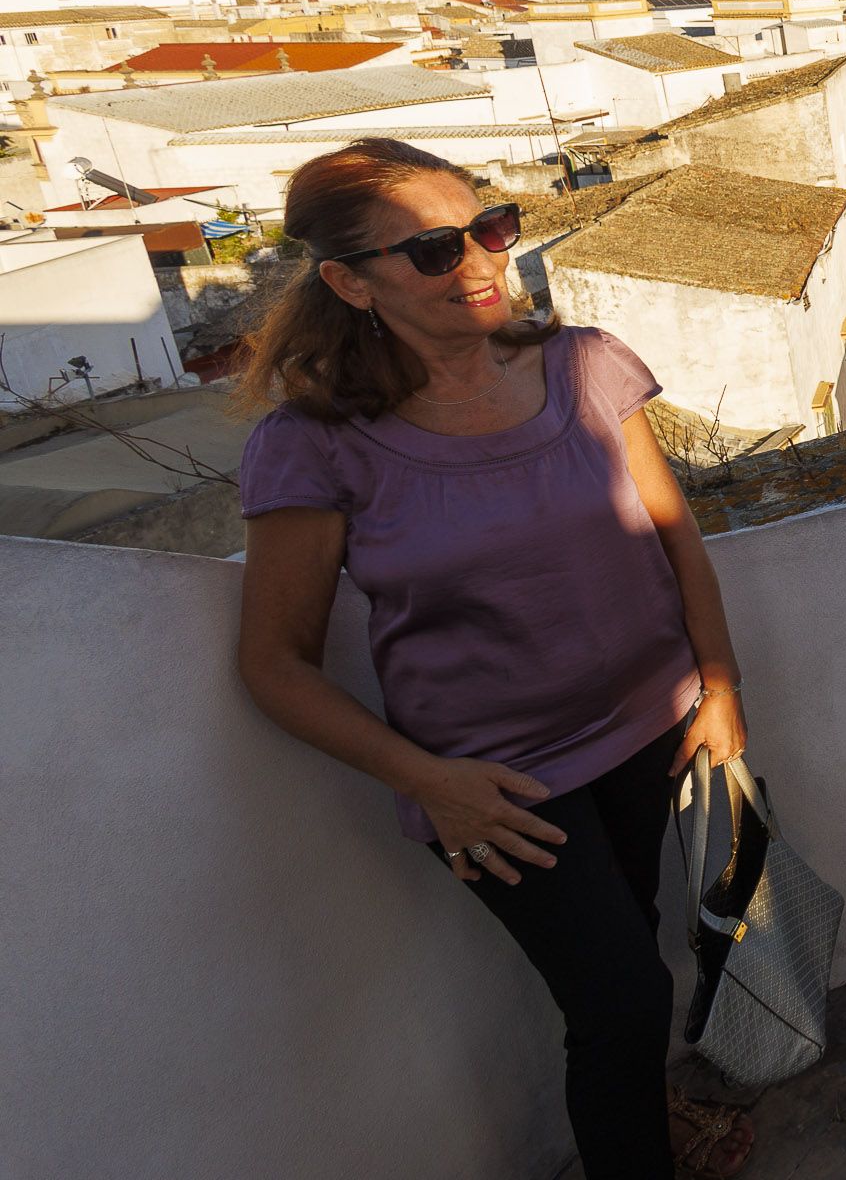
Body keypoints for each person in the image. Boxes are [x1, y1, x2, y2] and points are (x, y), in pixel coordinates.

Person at [234, 139, 755, 1180]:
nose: (477, 260)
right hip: (498, 784)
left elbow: (672, 534)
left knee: (635, 947)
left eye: (490, 227)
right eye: (432, 249)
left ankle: (650, 1117)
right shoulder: (320, 442)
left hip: (651, 726)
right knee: (619, 995)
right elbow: (274, 663)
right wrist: (431, 786)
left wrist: (721, 689)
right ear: (347, 282)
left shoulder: (586, 366)